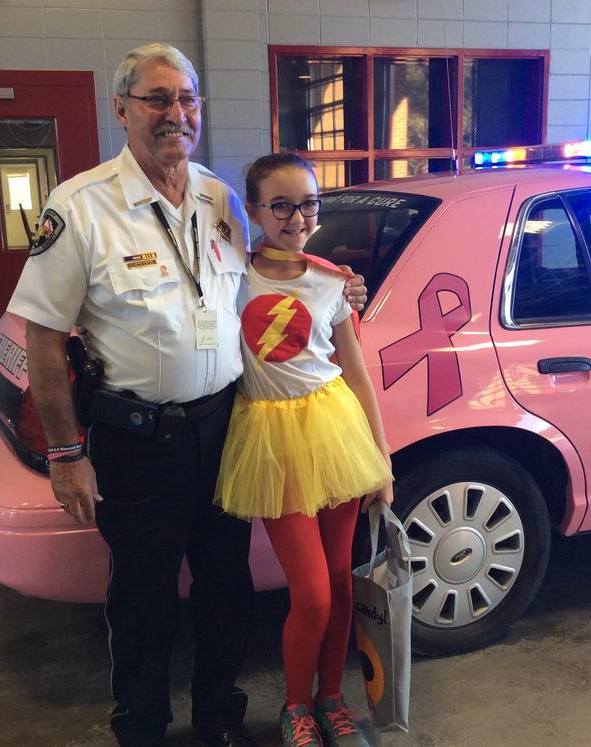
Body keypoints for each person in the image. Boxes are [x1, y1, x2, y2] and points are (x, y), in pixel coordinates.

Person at [6, 45, 366, 747]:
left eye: (188, 99)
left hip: (224, 428)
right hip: (139, 439)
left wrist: (342, 282)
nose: (177, 113)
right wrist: (66, 452)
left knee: (226, 590)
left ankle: (218, 719)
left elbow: (273, 270)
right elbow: (44, 339)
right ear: (123, 109)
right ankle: (141, 728)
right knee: (143, 601)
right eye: (158, 99)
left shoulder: (217, 196)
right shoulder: (80, 208)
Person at [214, 153, 394, 747]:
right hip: (270, 442)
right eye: (282, 204)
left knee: (340, 583)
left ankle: (331, 699)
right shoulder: (231, 278)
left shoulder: (332, 281)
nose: (297, 216)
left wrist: (382, 458)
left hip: (335, 433)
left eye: (309, 203)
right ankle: (296, 706)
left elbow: (357, 374)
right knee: (311, 592)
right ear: (256, 210)